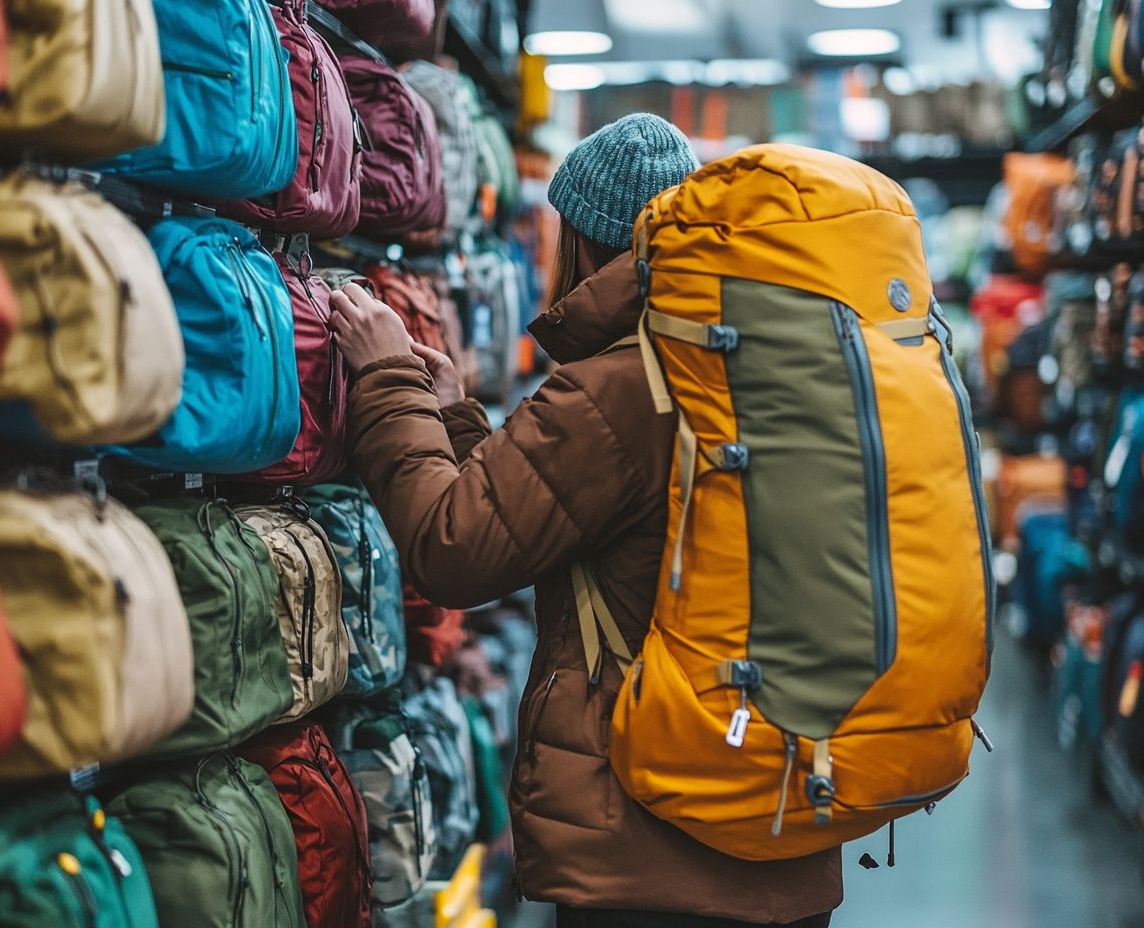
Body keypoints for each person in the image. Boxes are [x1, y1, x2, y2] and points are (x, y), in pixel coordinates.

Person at [329, 114, 841, 927]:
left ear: (586, 246)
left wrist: (387, 379)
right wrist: (459, 417)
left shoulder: (615, 388)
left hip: (652, 855)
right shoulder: (748, 369)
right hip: (777, 819)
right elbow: (554, 512)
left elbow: (452, 550)